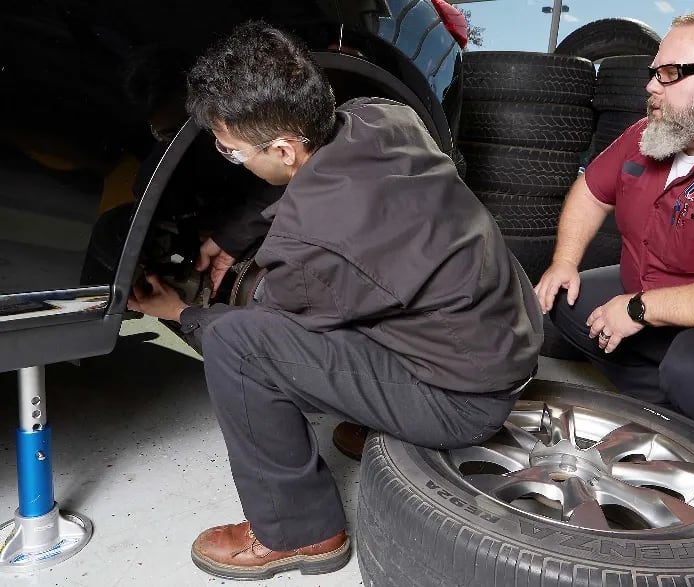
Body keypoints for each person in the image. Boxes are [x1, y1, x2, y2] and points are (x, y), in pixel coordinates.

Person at [127, 20, 541, 581]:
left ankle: (297, 532)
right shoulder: (383, 117)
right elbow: (311, 188)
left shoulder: (307, 249)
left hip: (464, 401)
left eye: (229, 149)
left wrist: (183, 313)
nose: (229, 157)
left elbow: (272, 338)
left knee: (235, 343)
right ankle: (384, 417)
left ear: (281, 147)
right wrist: (232, 234)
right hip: (501, 343)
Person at [535, 11, 694, 466]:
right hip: (670, 290)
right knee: (567, 299)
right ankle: (671, 417)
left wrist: (639, 308)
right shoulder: (653, 135)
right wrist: (564, 261)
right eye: (653, 73)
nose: (651, 86)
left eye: (671, 73)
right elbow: (591, 191)